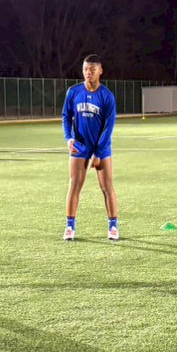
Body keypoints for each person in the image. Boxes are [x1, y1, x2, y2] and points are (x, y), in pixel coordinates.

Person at [61, 54, 120, 241]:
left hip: (101, 149)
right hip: (79, 147)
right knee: (74, 186)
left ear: (100, 71)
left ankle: (113, 226)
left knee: (107, 187)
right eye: (85, 69)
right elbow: (66, 116)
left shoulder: (107, 96)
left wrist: (98, 152)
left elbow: (108, 127)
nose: (88, 73)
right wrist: (69, 138)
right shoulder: (73, 92)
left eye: (92, 69)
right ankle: (70, 227)